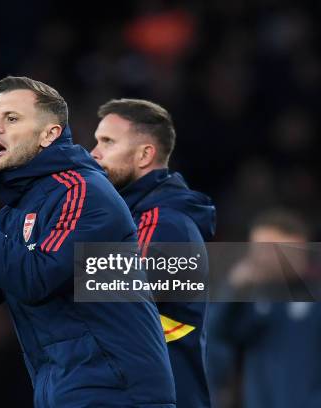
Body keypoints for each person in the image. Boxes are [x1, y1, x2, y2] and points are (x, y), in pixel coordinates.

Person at [0, 77, 176, 407]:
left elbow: (37, 277)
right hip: (67, 392)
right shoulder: (15, 214)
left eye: (11, 118)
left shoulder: (83, 192)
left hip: (118, 393)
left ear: (49, 134)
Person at [90, 99, 216, 408]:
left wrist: (42, 263)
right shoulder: (134, 218)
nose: (94, 153)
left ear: (145, 154)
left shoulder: (164, 221)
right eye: (96, 141)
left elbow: (121, 296)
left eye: (107, 141)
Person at [208, 209, 321, 408]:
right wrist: (234, 289)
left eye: (271, 249)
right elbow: (219, 333)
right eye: (256, 249)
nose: (262, 257)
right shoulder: (252, 297)